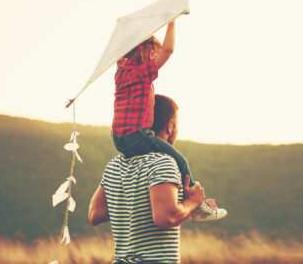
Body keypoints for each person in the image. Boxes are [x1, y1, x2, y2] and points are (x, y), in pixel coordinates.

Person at [89, 94, 226, 263]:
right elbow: (165, 218)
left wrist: (136, 203)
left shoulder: (114, 164)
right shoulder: (163, 162)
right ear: (170, 126)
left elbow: (95, 214)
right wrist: (192, 202)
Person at [111, 20, 225, 221]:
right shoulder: (141, 74)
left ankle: (175, 194)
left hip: (118, 139)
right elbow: (169, 50)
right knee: (180, 161)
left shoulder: (121, 74)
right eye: (154, 52)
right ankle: (196, 204)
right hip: (138, 136)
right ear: (145, 52)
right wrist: (171, 22)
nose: (157, 57)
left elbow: (154, 51)